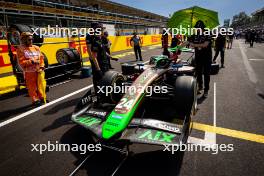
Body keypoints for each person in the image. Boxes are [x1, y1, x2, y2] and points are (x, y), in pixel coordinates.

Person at [17, 32, 46, 106]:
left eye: (31, 39)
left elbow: (42, 58)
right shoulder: (20, 49)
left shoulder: (36, 47)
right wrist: (31, 61)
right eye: (29, 39)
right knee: (32, 87)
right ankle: (35, 100)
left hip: (39, 71)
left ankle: (42, 98)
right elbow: (21, 62)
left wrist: (42, 66)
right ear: (23, 40)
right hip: (29, 72)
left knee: (40, 85)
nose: (31, 41)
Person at [187, 20, 212, 97]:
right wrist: (178, 48)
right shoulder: (195, 34)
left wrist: (194, 45)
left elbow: (205, 44)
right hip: (198, 57)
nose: (198, 29)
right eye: (197, 28)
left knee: (206, 74)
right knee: (198, 73)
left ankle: (206, 90)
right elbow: (187, 42)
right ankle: (200, 87)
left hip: (207, 57)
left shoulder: (208, 33)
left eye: (199, 28)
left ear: (203, 27)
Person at [86, 23, 110, 96]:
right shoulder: (90, 37)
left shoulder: (100, 38)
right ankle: (98, 94)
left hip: (103, 61)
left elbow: (103, 50)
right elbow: (90, 50)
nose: (103, 30)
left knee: (105, 77)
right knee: (98, 78)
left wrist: (109, 56)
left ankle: (104, 92)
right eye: (101, 29)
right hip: (97, 61)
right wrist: (97, 68)